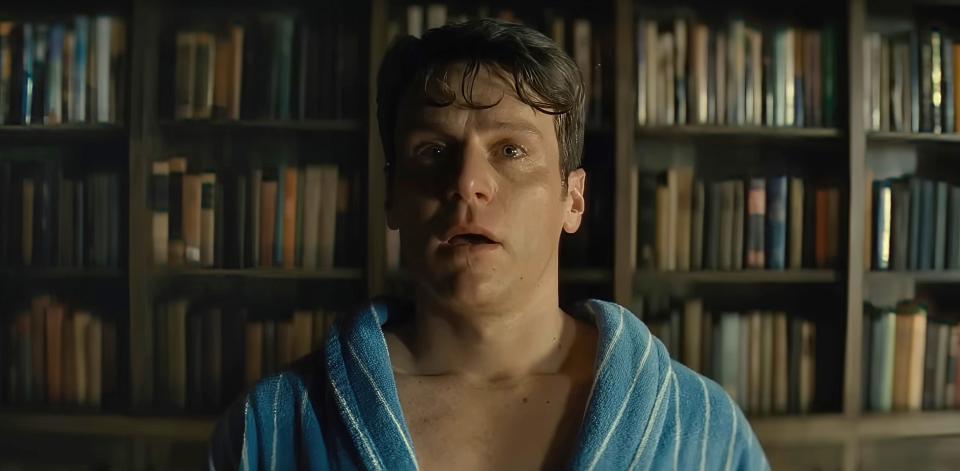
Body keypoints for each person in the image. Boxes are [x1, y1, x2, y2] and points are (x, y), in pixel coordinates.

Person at [210, 18, 769, 470]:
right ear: (392, 198)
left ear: (572, 200)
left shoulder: (700, 426)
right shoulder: (271, 426)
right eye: (432, 151)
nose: (465, 182)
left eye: (510, 150)